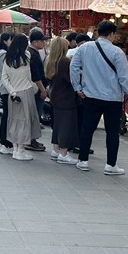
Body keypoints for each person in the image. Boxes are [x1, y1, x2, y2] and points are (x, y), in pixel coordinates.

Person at [70, 20, 128, 175]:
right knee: (112, 132)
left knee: (87, 129)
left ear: (98, 32)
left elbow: (73, 67)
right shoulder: (117, 52)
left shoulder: (84, 48)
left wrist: (77, 87)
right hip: (113, 98)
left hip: (91, 95)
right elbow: (124, 77)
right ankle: (111, 165)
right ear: (112, 34)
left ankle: (83, 160)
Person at [0, 35, 41, 161]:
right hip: (26, 92)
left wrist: (12, 92)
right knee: (26, 121)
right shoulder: (27, 56)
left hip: (13, 95)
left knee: (14, 121)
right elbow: (29, 75)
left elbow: (4, 78)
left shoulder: (7, 58)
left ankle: (15, 148)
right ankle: (21, 150)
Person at [46, 36, 78, 165]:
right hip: (66, 97)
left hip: (55, 95)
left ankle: (55, 149)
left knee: (58, 125)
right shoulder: (64, 62)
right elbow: (72, 80)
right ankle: (63, 153)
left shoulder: (50, 60)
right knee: (66, 125)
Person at [26, 30, 49, 152]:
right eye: (42, 40)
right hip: (36, 90)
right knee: (34, 115)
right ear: (35, 42)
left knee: (34, 115)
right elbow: (36, 76)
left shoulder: (32, 53)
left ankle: (32, 139)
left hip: (34, 89)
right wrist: (42, 89)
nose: (44, 42)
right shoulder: (33, 55)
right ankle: (30, 140)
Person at [0, 32, 14, 155]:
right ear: (6, 41)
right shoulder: (4, 54)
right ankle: (4, 142)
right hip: (6, 88)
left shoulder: (1, 53)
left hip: (3, 86)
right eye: (11, 40)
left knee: (6, 115)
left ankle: (3, 142)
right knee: (7, 115)